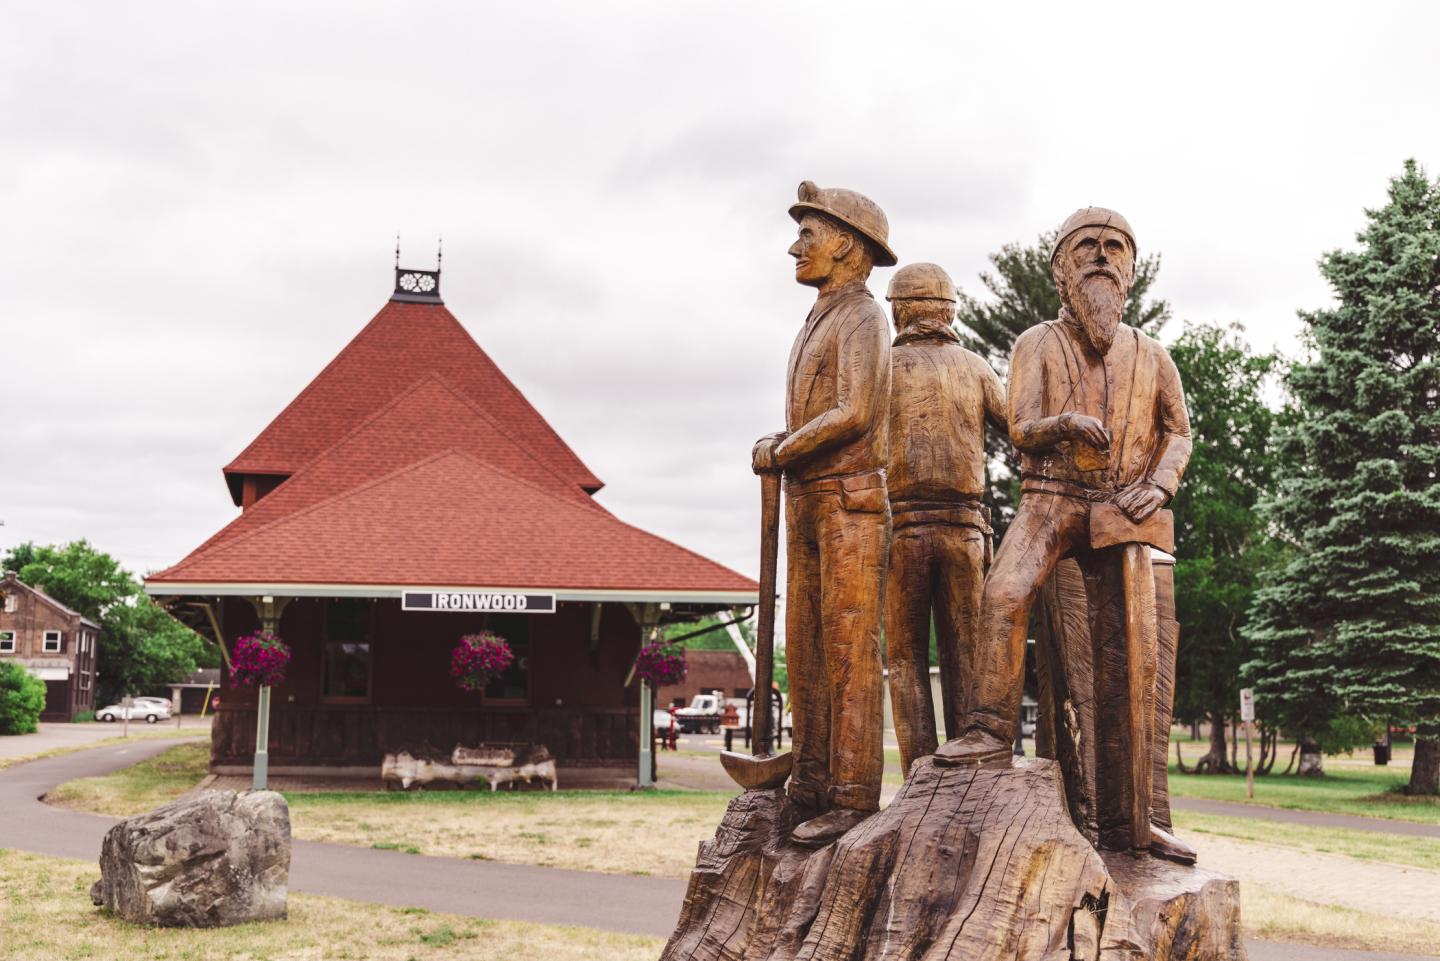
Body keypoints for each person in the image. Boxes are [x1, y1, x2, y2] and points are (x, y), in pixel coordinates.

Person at [936, 208, 1196, 863]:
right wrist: (1066, 425)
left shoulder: (1152, 356)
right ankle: (989, 731)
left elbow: (1179, 434)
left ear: (1131, 270)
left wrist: (1160, 485)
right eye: (1087, 247)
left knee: (1131, 654)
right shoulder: (1037, 343)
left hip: (1120, 510)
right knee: (1004, 594)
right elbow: (1021, 429)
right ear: (1060, 269)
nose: (1102, 257)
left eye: (1115, 248)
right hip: (1050, 499)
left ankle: (1134, 815)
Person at [752, 180, 894, 846]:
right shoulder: (818, 317)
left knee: (848, 646)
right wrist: (786, 450)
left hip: (849, 502)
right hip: (807, 498)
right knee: (804, 646)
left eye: (807, 235)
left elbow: (855, 410)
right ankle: (807, 783)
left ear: (845, 244)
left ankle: (852, 795)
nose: (794, 248)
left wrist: (784, 447)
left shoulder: (864, 316)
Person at [881, 262, 1006, 776]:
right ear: (949, 311)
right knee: (967, 655)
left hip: (902, 532)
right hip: (964, 531)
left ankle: (918, 776)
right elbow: (1017, 427)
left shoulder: (881, 370)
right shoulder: (975, 367)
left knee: (905, 659)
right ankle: (968, 774)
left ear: (899, 311)